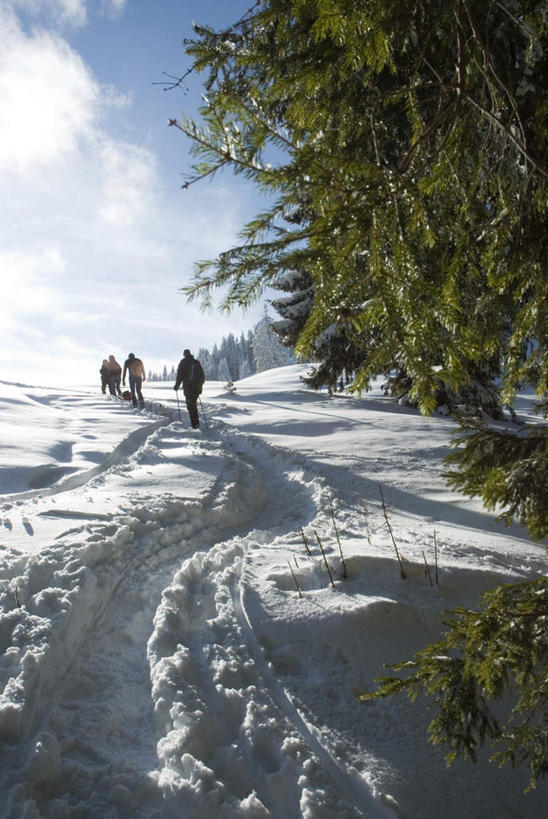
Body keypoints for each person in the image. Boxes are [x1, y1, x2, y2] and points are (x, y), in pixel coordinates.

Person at [174, 349, 205, 428]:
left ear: (184, 354)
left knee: (190, 406)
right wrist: (199, 388)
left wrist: (177, 386)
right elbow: (202, 377)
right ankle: (196, 424)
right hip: (196, 389)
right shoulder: (196, 362)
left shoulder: (183, 362)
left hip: (188, 388)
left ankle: (195, 425)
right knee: (193, 405)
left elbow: (180, 375)